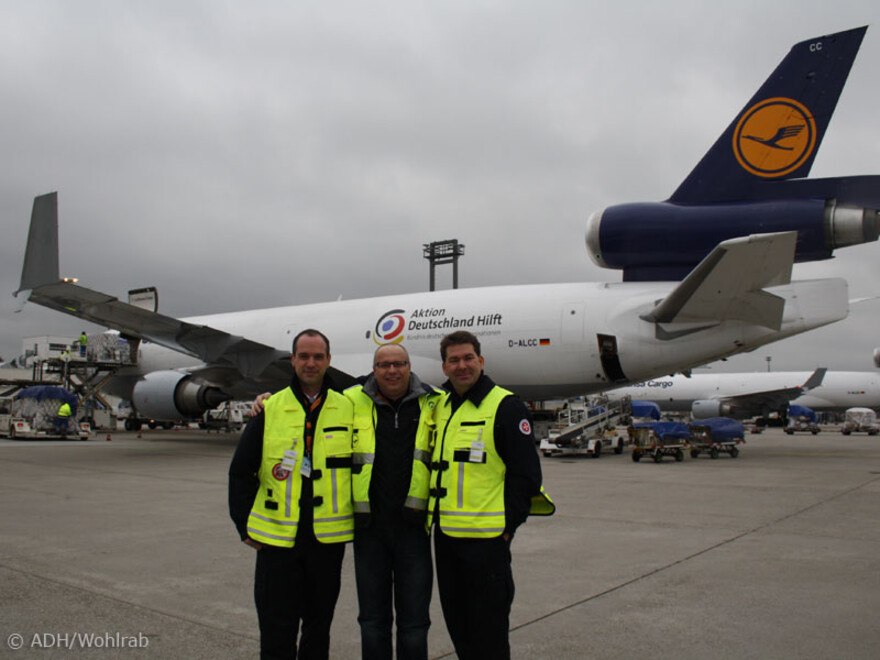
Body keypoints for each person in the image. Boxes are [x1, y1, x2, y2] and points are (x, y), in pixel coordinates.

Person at [428, 330, 554, 660]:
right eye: (454, 360)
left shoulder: (505, 407)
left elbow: (526, 478)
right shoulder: (439, 406)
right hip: (446, 540)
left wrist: (506, 528)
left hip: (487, 544)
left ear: (481, 361)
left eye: (468, 358)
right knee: (460, 629)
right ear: (444, 367)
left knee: (489, 637)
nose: (462, 366)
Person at [228, 329, 354, 660]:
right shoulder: (268, 408)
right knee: (276, 630)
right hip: (277, 542)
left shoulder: (350, 409)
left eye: (318, 356)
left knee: (318, 627)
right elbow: (241, 472)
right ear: (293, 360)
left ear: (329, 360)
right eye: (304, 356)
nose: (311, 363)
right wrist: (245, 526)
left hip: (326, 541)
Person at [346, 344, 441, 660]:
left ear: (409, 366)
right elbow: (310, 406)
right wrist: (266, 400)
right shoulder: (349, 400)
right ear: (373, 369)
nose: (391, 371)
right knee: (372, 621)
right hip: (369, 531)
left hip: (413, 532)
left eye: (398, 364)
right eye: (383, 365)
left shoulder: (436, 403)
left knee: (415, 624)